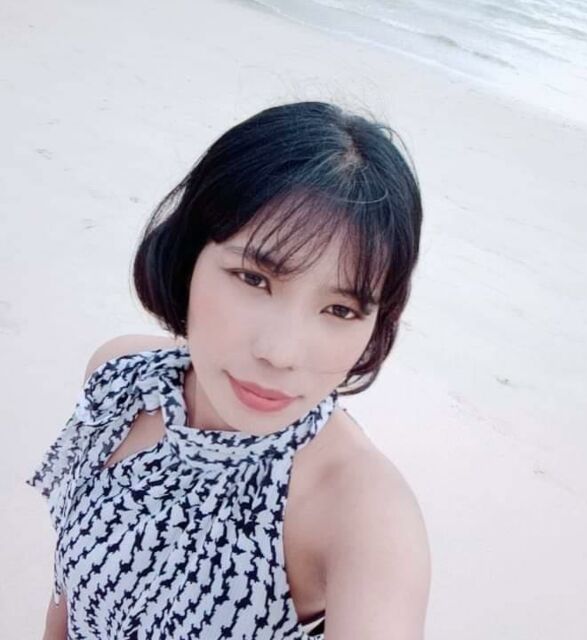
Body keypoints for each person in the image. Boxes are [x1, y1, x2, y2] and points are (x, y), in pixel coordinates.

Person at [26, 100, 431, 639]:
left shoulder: (364, 517)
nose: (281, 353)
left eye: (340, 310)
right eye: (254, 279)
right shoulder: (121, 379)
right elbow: (70, 594)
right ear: (189, 253)